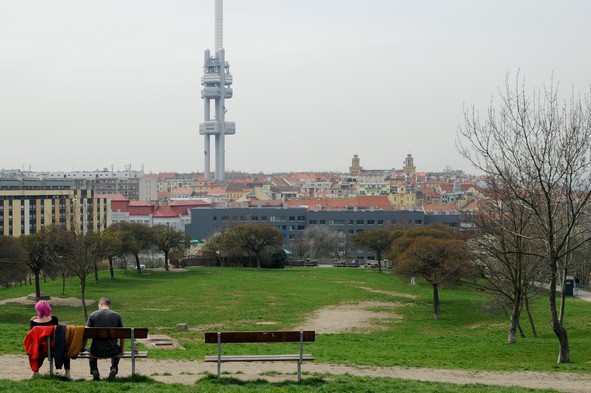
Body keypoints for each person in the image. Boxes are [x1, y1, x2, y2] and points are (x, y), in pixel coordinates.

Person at [29, 300, 71, 379]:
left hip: (40, 348)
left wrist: (32, 321)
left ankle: (35, 372)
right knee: (65, 348)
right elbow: (58, 333)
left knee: (37, 349)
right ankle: (67, 373)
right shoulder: (54, 319)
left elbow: (31, 336)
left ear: (38, 310)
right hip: (55, 347)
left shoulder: (33, 323)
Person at [86, 297, 124, 380]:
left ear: (100, 304)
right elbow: (122, 334)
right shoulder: (117, 316)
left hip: (96, 350)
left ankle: (94, 369)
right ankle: (114, 368)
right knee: (118, 347)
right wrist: (122, 349)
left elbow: (86, 332)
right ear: (109, 305)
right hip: (112, 349)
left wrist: (82, 347)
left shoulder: (93, 315)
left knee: (89, 348)